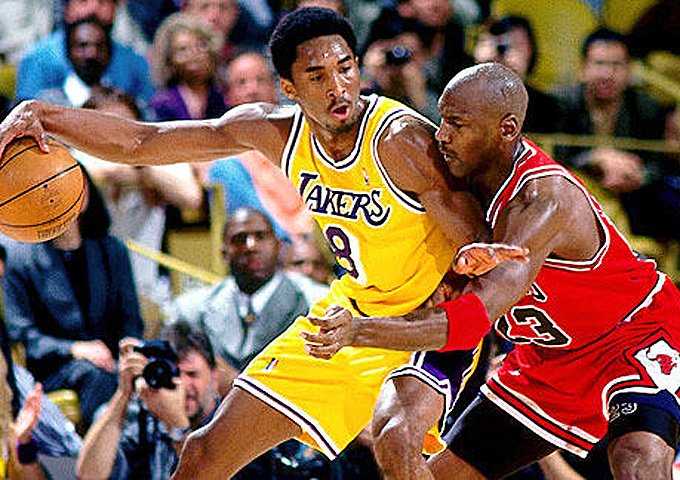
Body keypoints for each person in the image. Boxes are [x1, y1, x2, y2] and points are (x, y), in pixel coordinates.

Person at [0, 9, 526, 479]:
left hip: (423, 322)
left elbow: (484, 245)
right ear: (288, 88)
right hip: (349, 315)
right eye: (317, 76)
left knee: (397, 439)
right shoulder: (273, 131)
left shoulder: (400, 141)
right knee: (203, 453)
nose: (338, 87)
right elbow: (145, 141)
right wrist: (47, 116)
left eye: (345, 68)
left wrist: (469, 275)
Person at [303, 63, 680, 479]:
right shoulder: (453, 179)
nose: (442, 135)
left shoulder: (543, 200)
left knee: (636, 457)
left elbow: (472, 319)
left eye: (457, 124)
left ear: (506, 129)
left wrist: (360, 330)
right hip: (550, 358)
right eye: (443, 119)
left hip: (633, 334)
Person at [4, 173, 144, 430]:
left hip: (113, 360)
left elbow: (130, 320)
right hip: (55, 368)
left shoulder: (112, 250)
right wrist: (75, 348)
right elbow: (23, 335)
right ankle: (108, 448)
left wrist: (131, 349)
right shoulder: (19, 259)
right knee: (94, 375)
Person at [165, 207, 328, 382]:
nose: (251, 246)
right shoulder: (190, 310)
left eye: (261, 236)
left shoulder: (316, 301)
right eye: (239, 239)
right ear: (223, 253)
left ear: (278, 246)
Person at [557, 28, 679, 242]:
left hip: (634, 196)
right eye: (599, 64)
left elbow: (659, 162)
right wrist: (594, 158)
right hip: (574, 193)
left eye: (616, 65)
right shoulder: (561, 102)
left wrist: (638, 175)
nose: (607, 74)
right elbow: (551, 155)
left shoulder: (646, 107)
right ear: (583, 68)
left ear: (629, 70)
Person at [76, 321, 221, 480]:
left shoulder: (228, 421)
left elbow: (212, 474)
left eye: (192, 374)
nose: (182, 385)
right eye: (174, 373)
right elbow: (89, 475)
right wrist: (124, 393)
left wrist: (177, 427)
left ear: (214, 377)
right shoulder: (145, 417)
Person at [16, 0, 154, 105]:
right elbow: (26, 116)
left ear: (115, 9)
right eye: (83, 1)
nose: (93, 9)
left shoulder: (135, 62)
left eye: (103, 2)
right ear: (67, 9)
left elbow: (149, 118)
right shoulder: (37, 60)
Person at [473, 15, 562, 134]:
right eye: (499, 44)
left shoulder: (548, 108)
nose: (503, 52)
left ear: (531, 50)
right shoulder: (462, 99)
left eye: (516, 45)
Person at [150, 13, 227, 121]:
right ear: (169, 60)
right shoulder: (163, 104)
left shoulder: (223, 98)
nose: (194, 54)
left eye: (201, 45)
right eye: (183, 49)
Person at [37, 16, 113, 108]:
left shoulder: (120, 102)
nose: (91, 54)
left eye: (99, 46)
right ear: (68, 52)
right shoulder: (48, 104)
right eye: (83, 46)